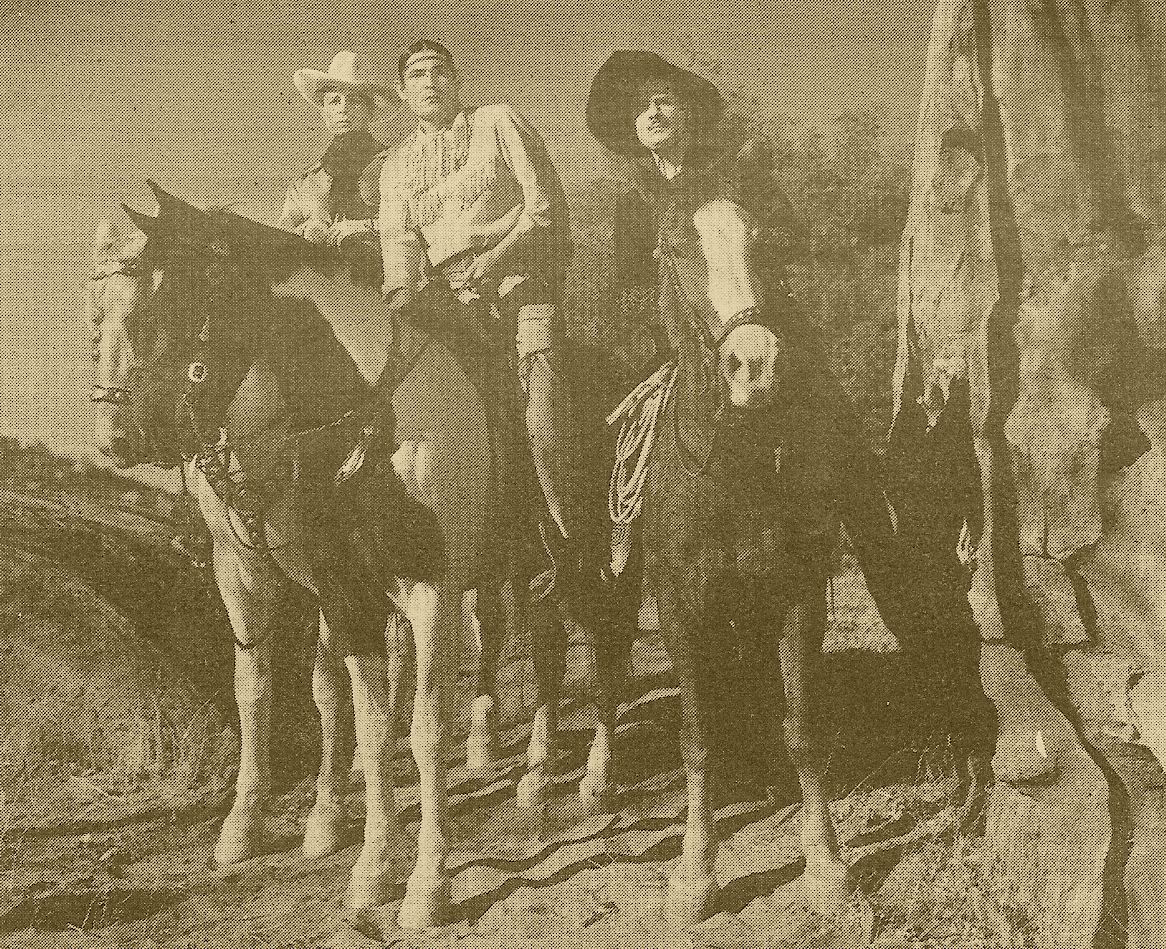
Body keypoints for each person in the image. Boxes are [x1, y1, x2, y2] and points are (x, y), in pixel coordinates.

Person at [376, 39, 577, 596]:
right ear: (402, 91)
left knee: (538, 420)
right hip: (448, 307)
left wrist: (491, 260)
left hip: (520, 290)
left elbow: (543, 206)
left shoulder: (497, 122)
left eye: (439, 71)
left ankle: (559, 537)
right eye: (416, 75)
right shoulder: (396, 164)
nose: (429, 82)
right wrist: (402, 302)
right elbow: (399, 243)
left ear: (456, 81)